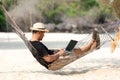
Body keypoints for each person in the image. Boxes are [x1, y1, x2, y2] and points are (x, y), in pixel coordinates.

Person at [30, 22, 100, 68]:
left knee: (71, 46)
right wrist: (59, 54)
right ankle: (92, 42)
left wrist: (57, 51)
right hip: (55, 62)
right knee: (74, 50)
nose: (44, 35)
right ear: (39, 32)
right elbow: (49, 59)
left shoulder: (32, 42)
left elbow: (45, 53)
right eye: (43, 33)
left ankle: (93, 45)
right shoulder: (38, 45)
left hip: (56, 56)